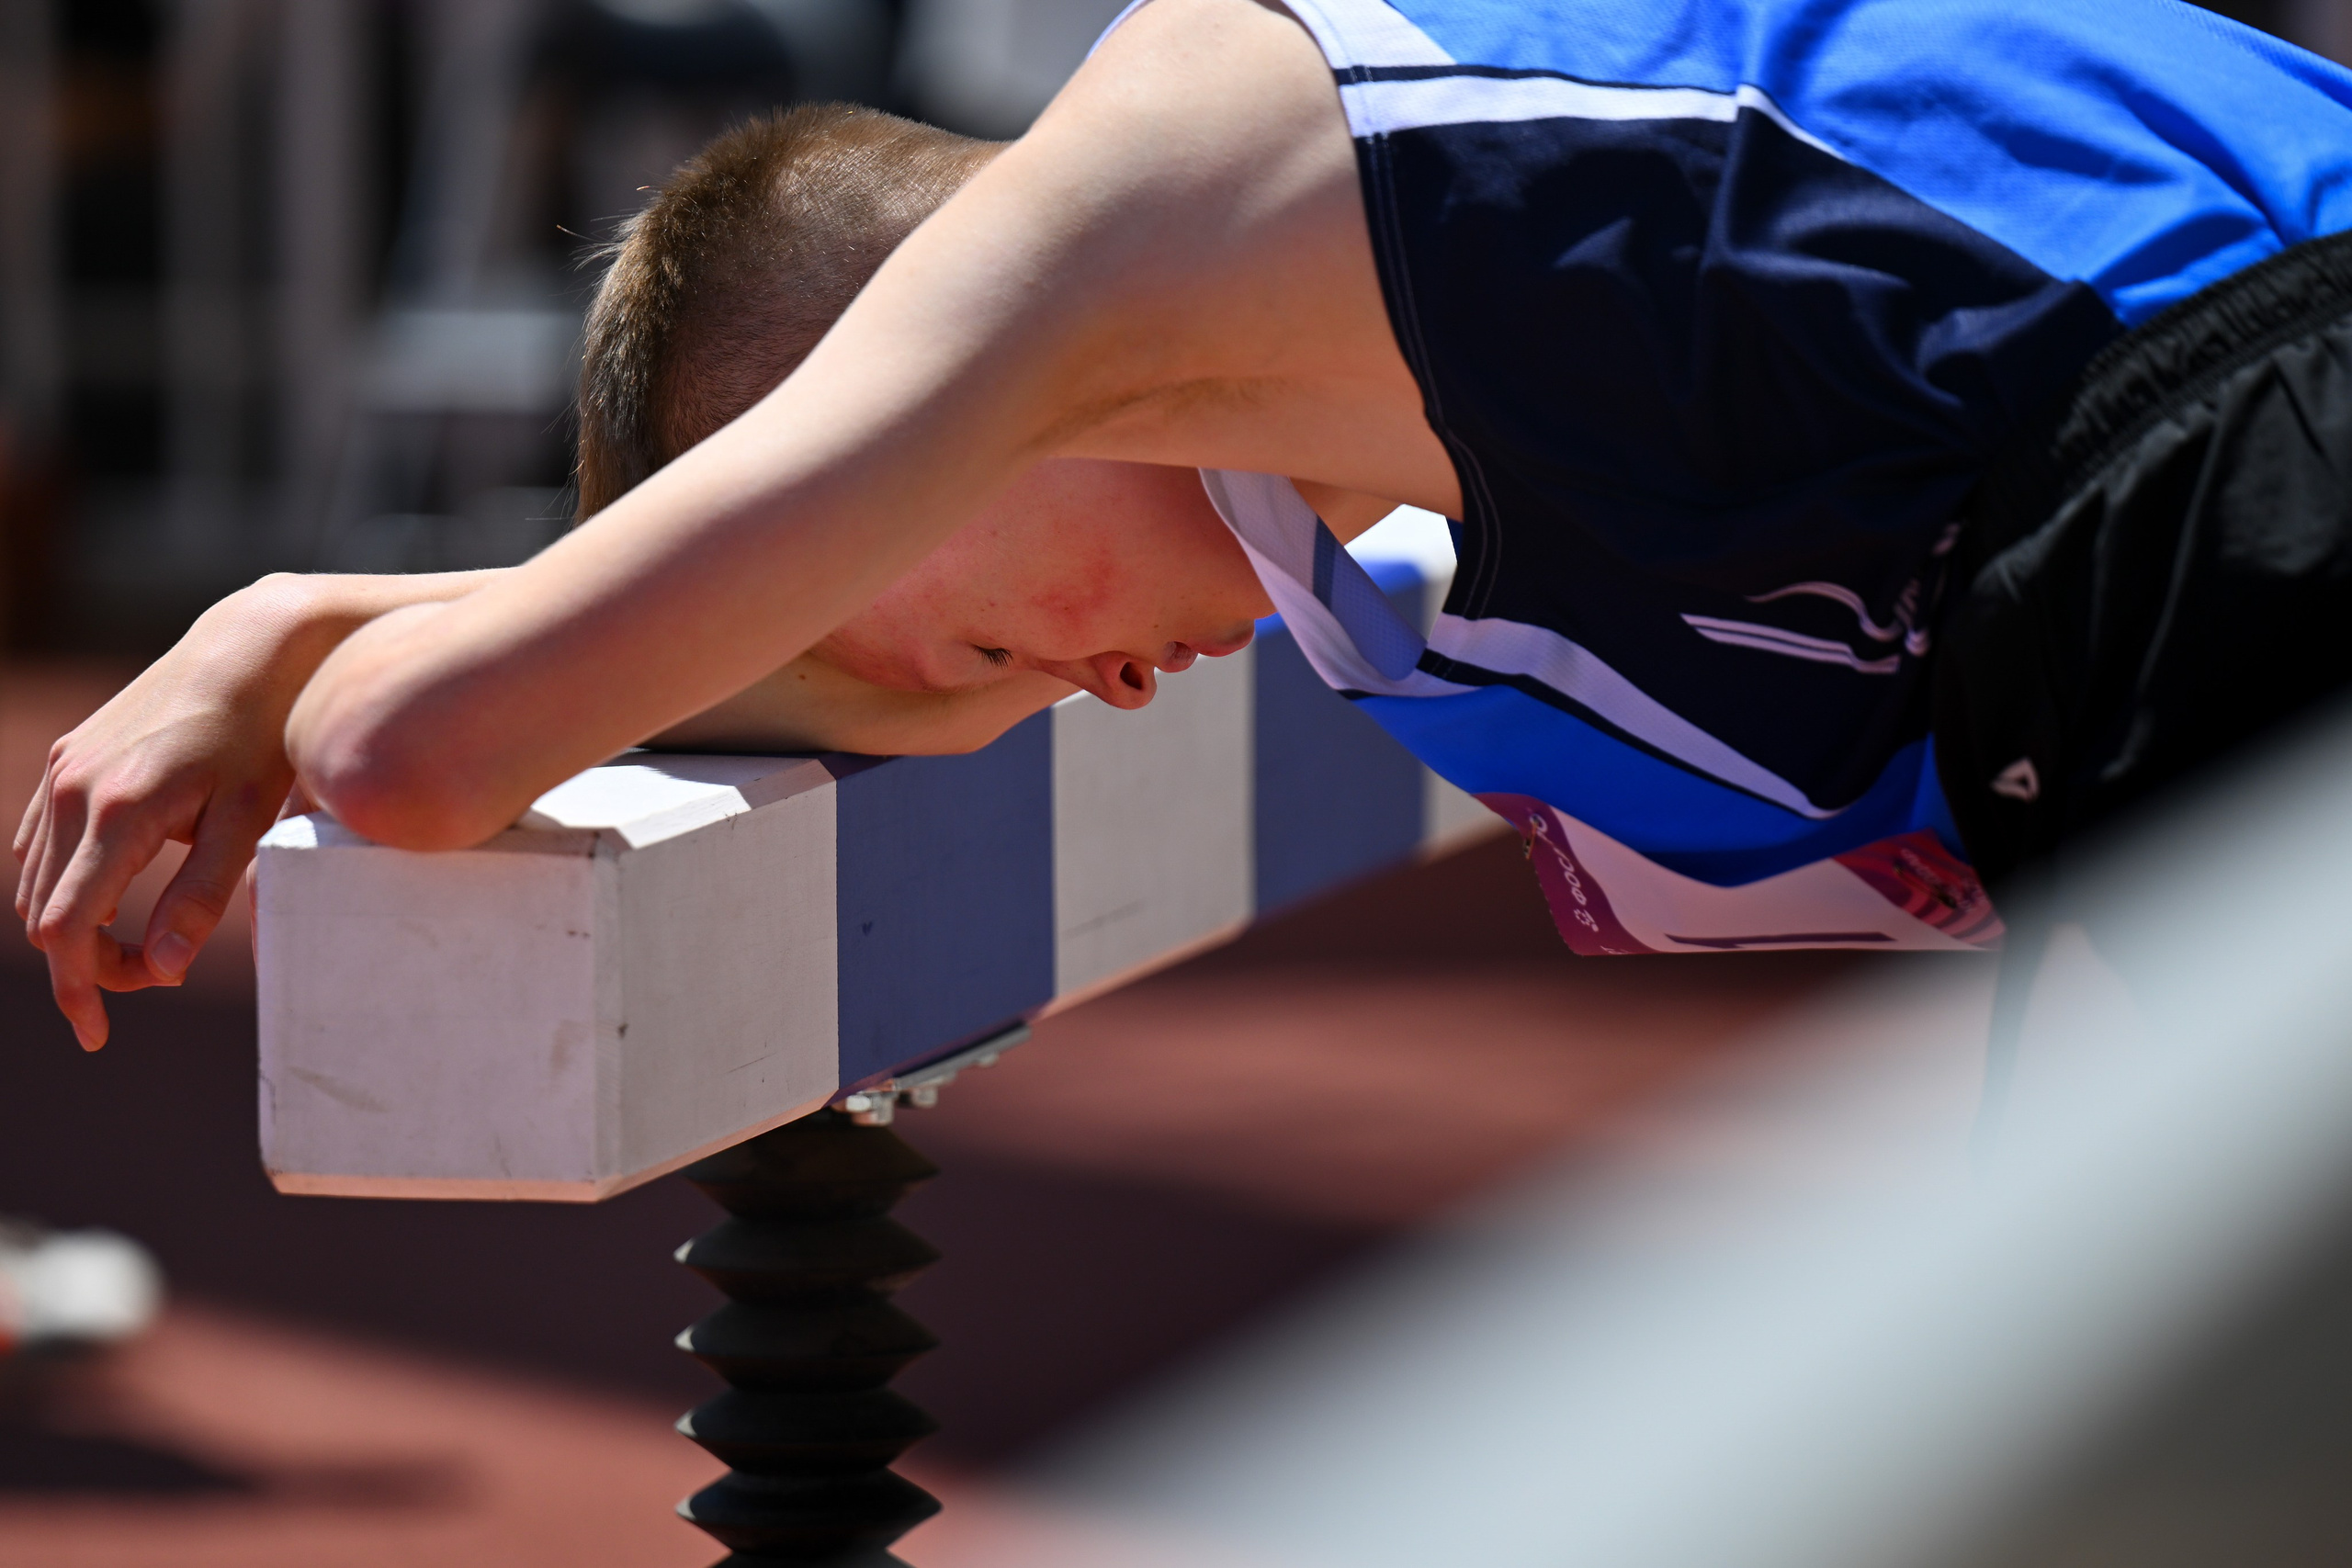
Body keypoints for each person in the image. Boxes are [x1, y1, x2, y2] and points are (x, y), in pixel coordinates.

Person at [19, 0, 2352, 1046]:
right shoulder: (1361, 414)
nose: (1098, 691)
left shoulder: (1126, 200)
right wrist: (366, 614)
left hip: (2250, 482)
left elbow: (411, 766)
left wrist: (301, 616)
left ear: (882, 410)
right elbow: (861, 693)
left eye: (950, 627)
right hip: (2195, 514)